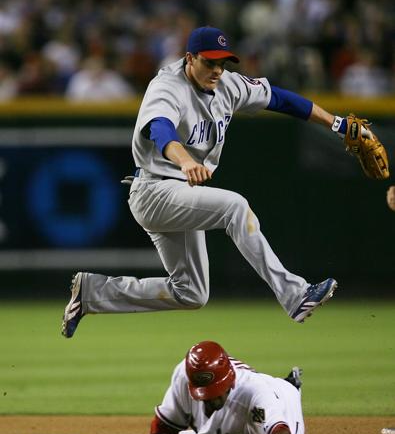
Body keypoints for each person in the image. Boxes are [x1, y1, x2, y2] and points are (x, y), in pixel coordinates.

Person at [61, 25, 348, 339]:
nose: (217, 70)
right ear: (189, 58)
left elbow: (281, 99)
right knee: (235, 207)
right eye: (209, 62)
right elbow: (159, 129)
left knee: (191, 293)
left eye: (222, 63)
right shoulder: (168, 86)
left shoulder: (227, 84)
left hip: (182, 193)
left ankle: (90, 293)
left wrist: (337, 123)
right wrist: (185, 161)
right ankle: (296, 294)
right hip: (154, 189)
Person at [138, 340, 304, 434]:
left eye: (215, 393)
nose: (209, 400)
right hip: (239, 428)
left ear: (230, 381)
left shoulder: (255, 392)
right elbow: (163, 430)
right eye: (204, 394)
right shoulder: (184, 375)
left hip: (283, 409)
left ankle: (290, 384)